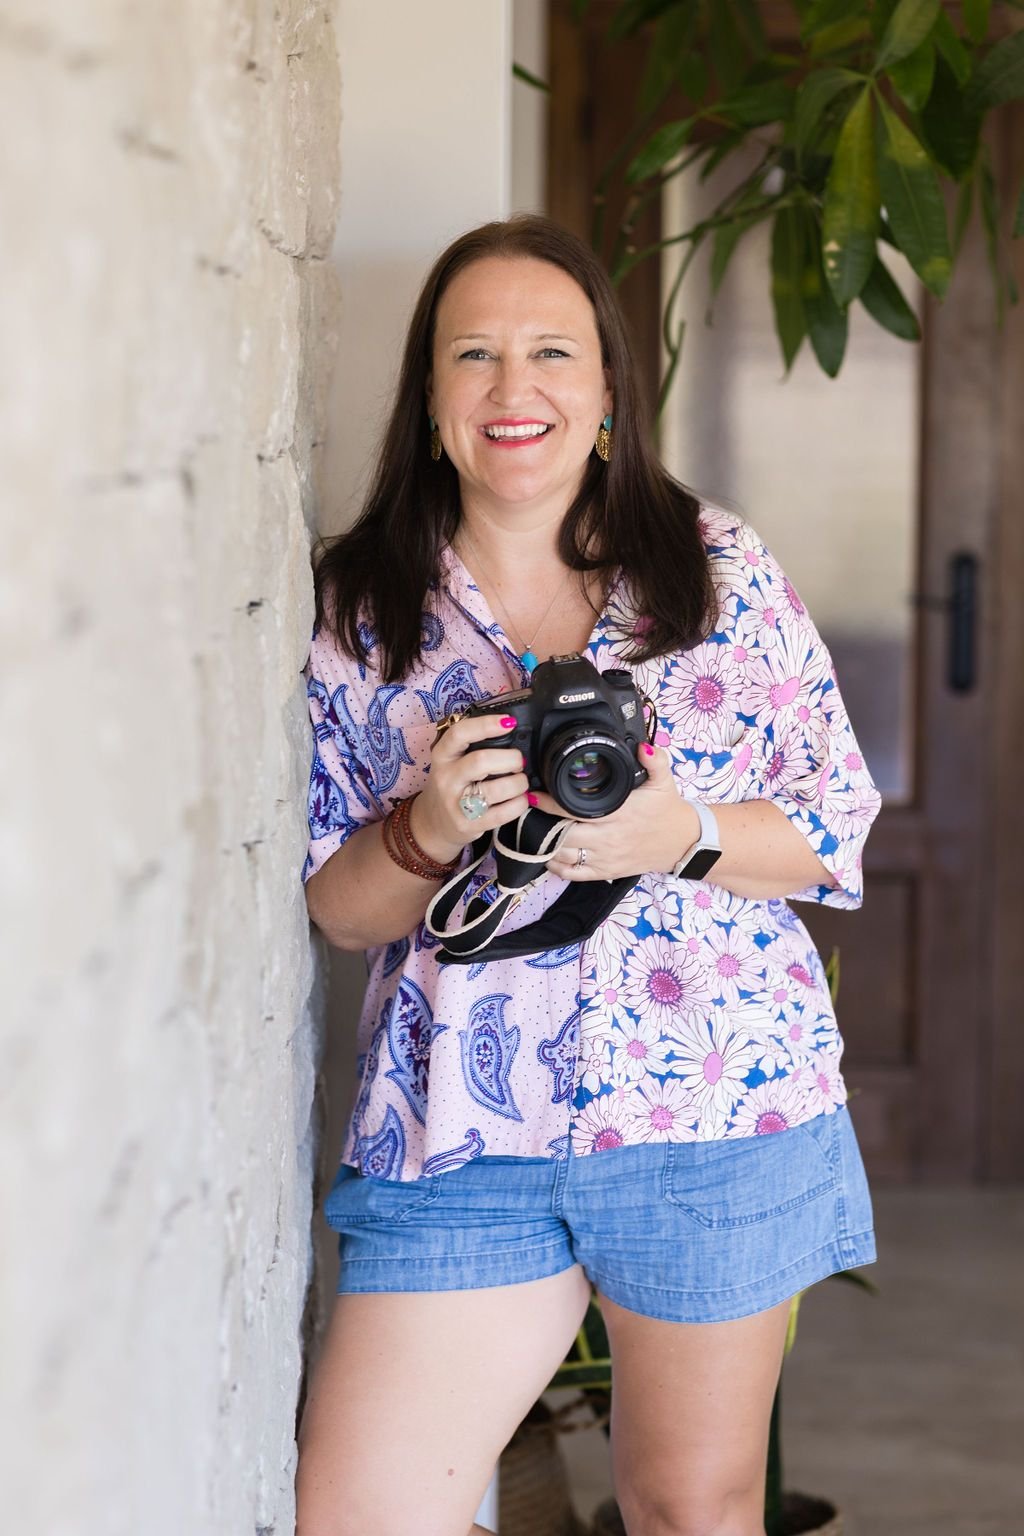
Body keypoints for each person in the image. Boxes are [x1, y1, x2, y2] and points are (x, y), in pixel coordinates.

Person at [294, 214, 880, 1536]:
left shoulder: (718, 574)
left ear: (608, 391)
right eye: (476, 356)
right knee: (363, 1514)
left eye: (553, 352)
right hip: (463, 1130)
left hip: (714, 1112)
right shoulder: (361, 611)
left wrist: (686, 835)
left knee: (690, 1509)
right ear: (430, 398)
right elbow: (336, 914)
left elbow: (833, 829)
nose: (516, 390)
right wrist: (427, 827)